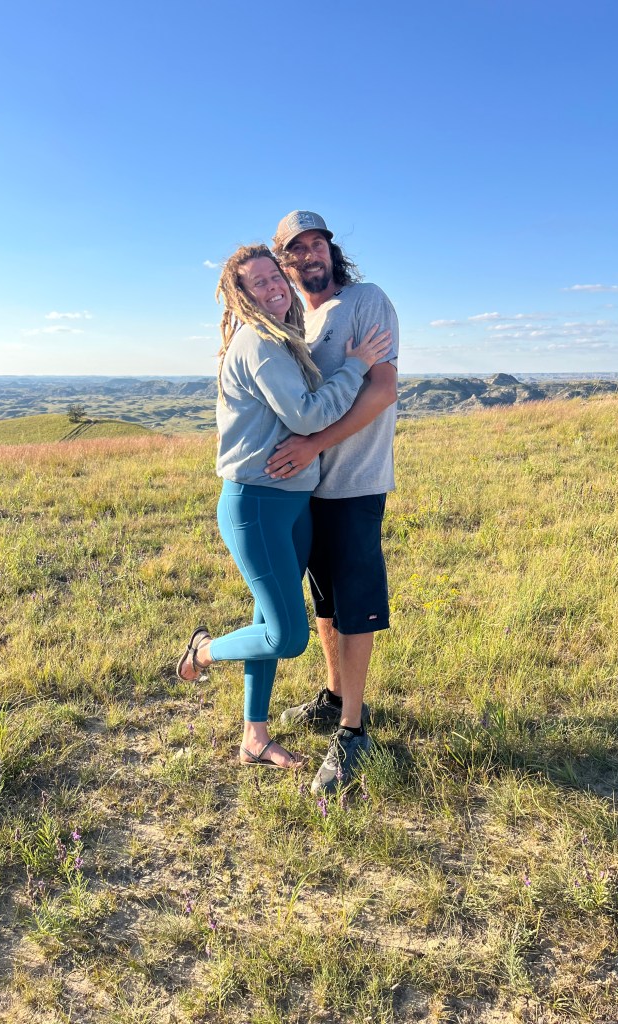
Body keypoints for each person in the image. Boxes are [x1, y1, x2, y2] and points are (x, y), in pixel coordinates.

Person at [175, 243, 391, 771]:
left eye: (275, 277)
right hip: (259, 502)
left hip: (295, 503)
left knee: (266, 618)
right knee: (286, 635)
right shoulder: (261, 343)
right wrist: (358, 363)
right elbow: (307, 416)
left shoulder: (285, 339)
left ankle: (254, 736)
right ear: (241, 295)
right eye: (258, 282)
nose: (272, 287)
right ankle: (201, 651)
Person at [268, 211, 399, 795]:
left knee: (356, 604)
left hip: (354, 481)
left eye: (317, 242)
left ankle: (353, 731)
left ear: (331, 250)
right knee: (324, 602)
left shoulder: (366, 301)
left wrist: (316, 444)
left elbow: (383, 388)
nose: (309, 254)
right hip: (305, 489)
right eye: (296, 249)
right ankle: (334, 695)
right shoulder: (296, 320)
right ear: (284, 263)